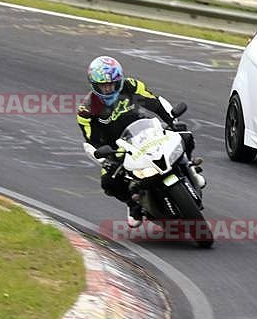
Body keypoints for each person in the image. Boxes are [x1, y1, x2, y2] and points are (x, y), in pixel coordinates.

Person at [77, 56, 202, 227]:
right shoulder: (87, 110)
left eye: (112, 84)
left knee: (184, 134)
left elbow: (154, 102)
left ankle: (190, 168)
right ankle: (133, 203)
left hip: (146, 131)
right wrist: (106, 157)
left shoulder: (131, 86)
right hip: (118, 148)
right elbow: (90, 140)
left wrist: (171, 120)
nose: (108, 89)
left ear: (119, 81)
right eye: (103, 86)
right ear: (94, 85)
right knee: (109, 182)